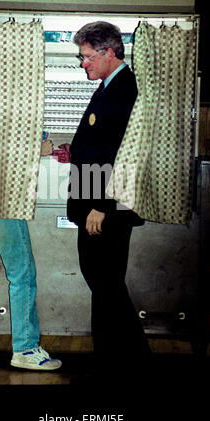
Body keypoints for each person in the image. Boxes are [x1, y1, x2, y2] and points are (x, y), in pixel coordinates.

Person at [67, 22, 150, 378]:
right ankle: (114, 361)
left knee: (106, 283)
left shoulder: (123, 90)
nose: (82, 63)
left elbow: (120, 152)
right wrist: (72, 151)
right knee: (104, 283)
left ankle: (131, 361)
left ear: (109, 52)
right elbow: (97, 145)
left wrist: (101, 204)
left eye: (86, 57)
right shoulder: (109, 87)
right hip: (96, 202)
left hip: (103, 207)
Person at [0, 139, 62, 371]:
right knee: (22, 275)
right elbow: (5, 150)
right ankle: (26, 349)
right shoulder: (13, 104)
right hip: (2, 199)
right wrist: (37, 149)